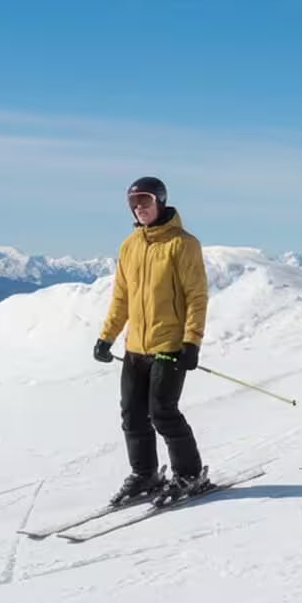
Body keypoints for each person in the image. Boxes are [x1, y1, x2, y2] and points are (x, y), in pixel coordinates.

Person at [93, 177, 210, 506]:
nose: (139, 208)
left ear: (160, 201)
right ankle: (145, 474)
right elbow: (121, 298)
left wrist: (192, 342)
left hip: (169, 346)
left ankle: (190, 474)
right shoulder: (129, 246)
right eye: (134, 203)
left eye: (145, 201)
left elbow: (196, 297)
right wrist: (107, 337)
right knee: (132, 414)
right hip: (135, 348)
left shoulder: (183, 244)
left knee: (162, 413)